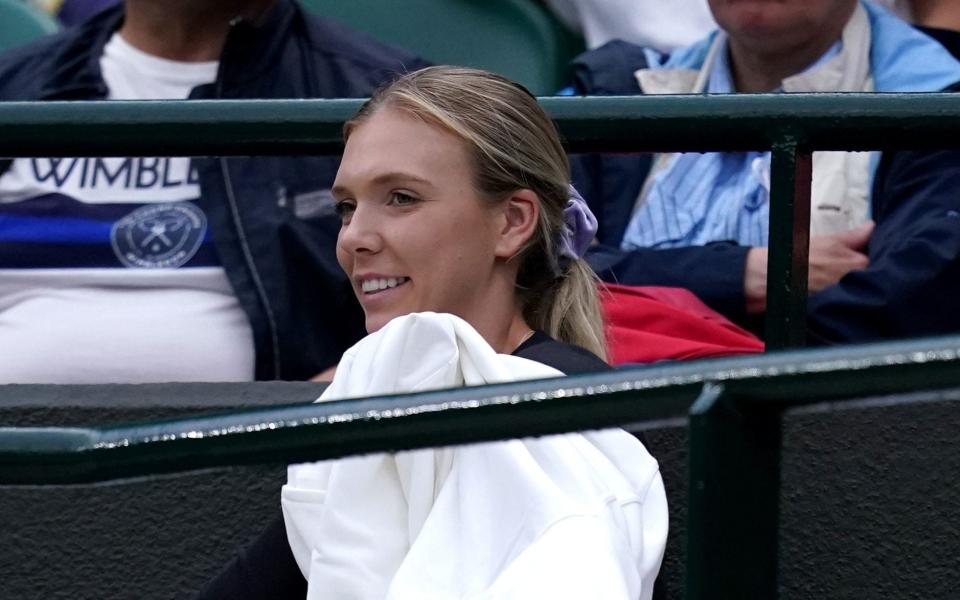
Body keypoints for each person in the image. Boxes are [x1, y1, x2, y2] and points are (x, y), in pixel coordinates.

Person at [197, 66, 667, 600]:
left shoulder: (562, 409)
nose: (354, 238)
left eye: (401, 198)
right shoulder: (381, 390)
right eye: (346, 208)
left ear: (513, 222)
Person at [0, 0, 428, 383]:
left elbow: (462, 307)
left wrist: (336, 396)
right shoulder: (14, 87)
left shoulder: (392, 99)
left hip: (279, 453)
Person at [569, 0, 960, 343]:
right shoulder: (613, 89)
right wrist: (743, 275)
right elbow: (537, 274)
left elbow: (901, 311)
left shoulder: (942, 100)